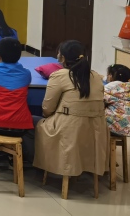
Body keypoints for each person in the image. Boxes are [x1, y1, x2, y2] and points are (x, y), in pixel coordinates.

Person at [34, 40, 108, 180]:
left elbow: (47, 109)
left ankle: (38, 166)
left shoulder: (59, 76)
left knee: (31, 122)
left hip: (69, 129)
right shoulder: (96, 77)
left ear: (62, 58)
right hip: (95, 131)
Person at [104, 64, 130, 137]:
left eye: (108, 74)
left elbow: (100, 98)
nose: (107, 76)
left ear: (112, 76)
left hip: (117, 129)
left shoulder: (110, 87)